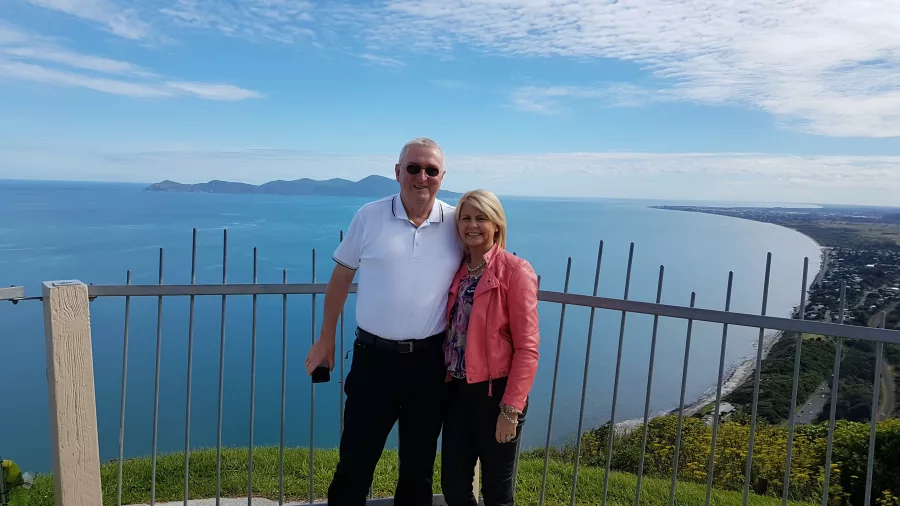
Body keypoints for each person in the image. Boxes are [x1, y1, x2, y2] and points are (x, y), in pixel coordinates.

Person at [304, 137, 463, 506]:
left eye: (431, 170)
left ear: (442, 176)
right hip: (374, 360)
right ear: (397, 172)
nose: (421, 176)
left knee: (418, 469)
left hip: (429, 363)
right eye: (413, 168)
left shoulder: (456, 221)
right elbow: (341, 277)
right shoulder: (369, 215)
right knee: (355, 463)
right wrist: (325, 340)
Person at [440, 189, 540, 506]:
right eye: (465, 218)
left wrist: (510, 410)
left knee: (496, 493)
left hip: (496, 395)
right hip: (457, 394)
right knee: (454, 487)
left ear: (496, 224)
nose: (472, 225)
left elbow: (527, 348)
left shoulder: (514, 271)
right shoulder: (456, 269)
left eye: (481, 218)